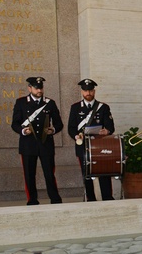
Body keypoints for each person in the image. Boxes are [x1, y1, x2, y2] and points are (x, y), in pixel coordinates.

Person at [11, 76, 64, 205]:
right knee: (29, 174)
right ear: (30, 88)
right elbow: (15, 123)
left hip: (45, 143)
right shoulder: (21, 102)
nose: (39, 90)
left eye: (41, 87)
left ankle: (55, 198)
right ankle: (32, 199)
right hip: (28, 144)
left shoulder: (49, 103)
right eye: (36, 88)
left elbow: (59, 123)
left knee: (49, 174)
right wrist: (23, 131)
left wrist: (53, 130)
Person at [67, 79, 116, 201]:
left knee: (104, 173)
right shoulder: (75, 108)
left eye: (90, 90)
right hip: (83, 146)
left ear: (94, 91)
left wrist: (107, 131)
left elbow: (110, 126)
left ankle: (107, 198)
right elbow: (71, 128)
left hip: (100, 145)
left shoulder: (103, 107)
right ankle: (90, 199)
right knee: (87, 175)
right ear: (82, 92)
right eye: (85, 90)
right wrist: (76, 136)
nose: (88, 93)